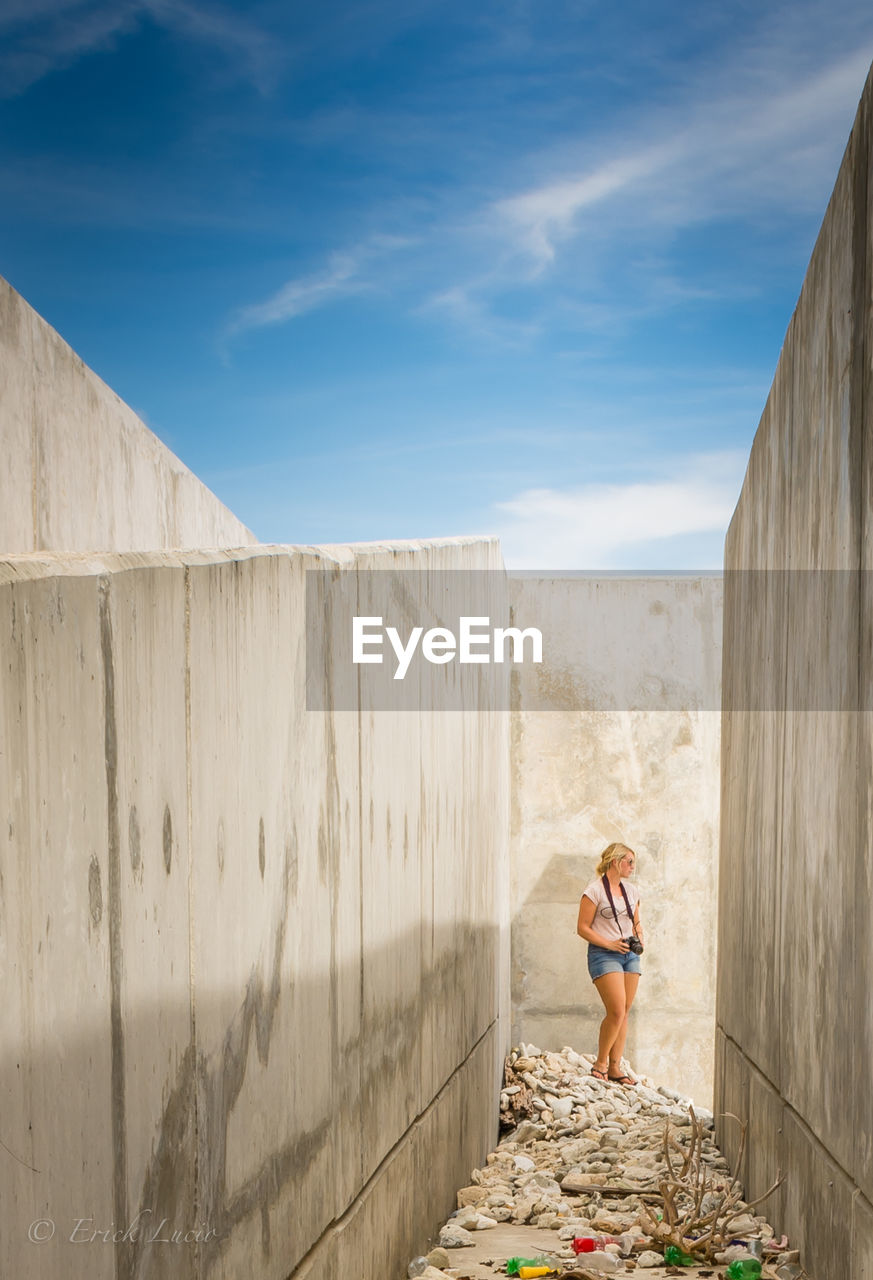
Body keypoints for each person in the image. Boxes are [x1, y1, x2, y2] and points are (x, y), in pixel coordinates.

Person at [576, 842, 644, 1085]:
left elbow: (636, 921)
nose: (633, 867)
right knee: (615, 1010)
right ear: (615, 862)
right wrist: (609, 944)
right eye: (629, 861)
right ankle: (601, 1062)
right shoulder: (594, 891)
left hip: (629, 954)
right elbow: (582, 928)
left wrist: (640, 940)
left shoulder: (632, 891)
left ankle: (616, 1067)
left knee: (624, 1011)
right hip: (604, 954)